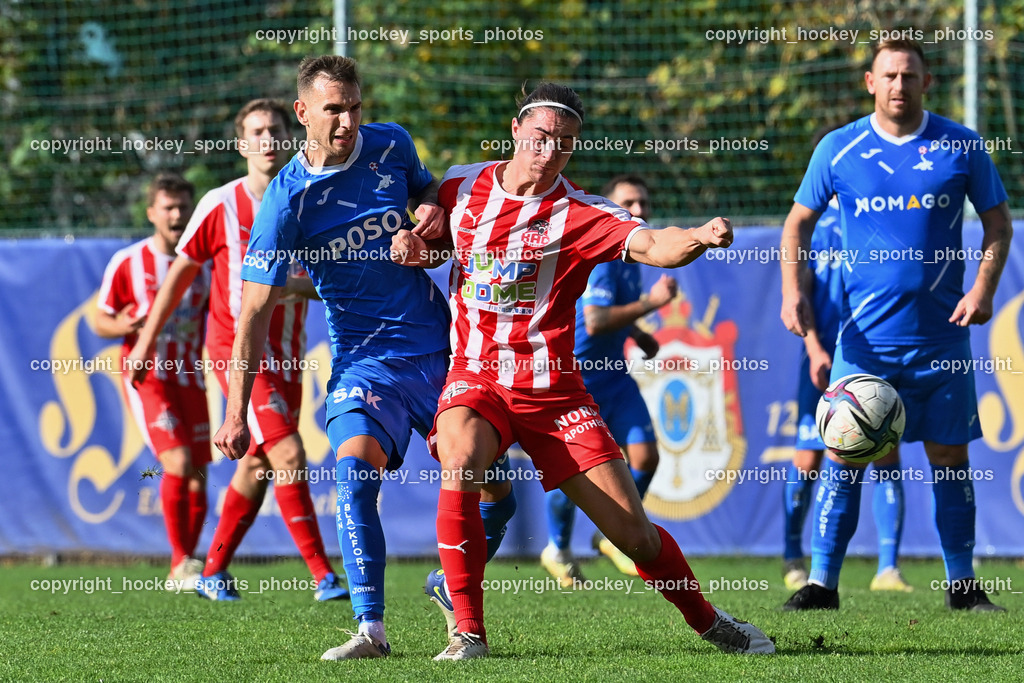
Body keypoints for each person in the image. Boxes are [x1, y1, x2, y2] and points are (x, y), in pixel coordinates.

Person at [393, 82, 774, 660]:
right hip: (477, 377)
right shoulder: (461, 185)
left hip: (555, 395)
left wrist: (697, 236)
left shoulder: (580, 212)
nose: (550, 152)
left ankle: (709, 620)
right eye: (541, 137)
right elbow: (438, 237)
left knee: (635, 537)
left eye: (565, 143)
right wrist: (413, 242)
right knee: (461, 457)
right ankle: (467, 632)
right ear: (516, 131)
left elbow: (653, 244)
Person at [211, 55, 516, 660]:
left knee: (495, 495)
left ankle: (448, 583)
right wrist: (234, 412)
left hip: (440, 350)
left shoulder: (391, 144)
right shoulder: (286, 201)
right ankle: (369, 628)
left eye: (354, 107)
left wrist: (428, 211)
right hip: (363, 360)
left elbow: (427, 191)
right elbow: (253, 313)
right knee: (353, 474)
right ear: (303, 113)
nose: (348, 121)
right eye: (333, 110)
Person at [779, 38, 1012, 612]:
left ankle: (963, 587)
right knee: (844, 459)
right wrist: (792, 292)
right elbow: (797, 225)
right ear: (870, 82)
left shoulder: (962, 145)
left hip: (942, 341)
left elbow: (998, 224)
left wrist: (983, 288)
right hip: (864, 344)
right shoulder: (838, 148)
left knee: (950, 462)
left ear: (927, 82)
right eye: (889, 75)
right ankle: (821, 585)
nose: (899, 85)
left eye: (909, 75)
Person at [127, 99, 348, 603]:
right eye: (257, 131)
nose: (267, 139)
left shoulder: (312, 200)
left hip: (287, 355)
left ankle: (213, 570)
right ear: (241, 143)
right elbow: (180, 274)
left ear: (289, 137)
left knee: (257, 465)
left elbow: (332, 282)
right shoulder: (220, 204)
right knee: (289, 453)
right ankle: (324, 576)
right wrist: (144, 341)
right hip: (236, 353)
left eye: (275, 130)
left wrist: (294, 286)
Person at [783, 146, 910, 594]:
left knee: (885, 450)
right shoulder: (817, 227)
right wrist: (815, 349)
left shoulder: (884, 219)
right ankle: (793, 558)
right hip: (824, 359)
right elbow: (801, 292)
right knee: (809, 457)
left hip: (871, 356)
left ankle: (888, 569)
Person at [541, 175, 676, 586]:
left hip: (615, 375)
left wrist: (639, 334)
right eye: (628, 203)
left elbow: (609, 314)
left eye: (643, 203)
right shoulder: (604, 256)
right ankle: (557, 549)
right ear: (611, 209)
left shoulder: (633, 257)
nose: (638, 210)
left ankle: (611, 535)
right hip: (580, 379)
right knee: (574, 473)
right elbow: (596, 320)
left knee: (646, 458)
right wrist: (651, 303)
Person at [96, 173, 210, 591]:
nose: (177, 214)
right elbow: (100, 319)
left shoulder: (203, 265)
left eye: (183, 207)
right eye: (169, 207)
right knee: (177, 462)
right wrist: (126, 324)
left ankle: (188, 564)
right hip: (149, 378)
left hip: (190, 377)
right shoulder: (129, 261)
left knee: (198, 472)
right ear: (152, 213)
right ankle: (179, 564)